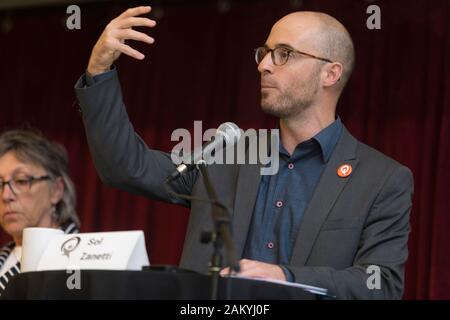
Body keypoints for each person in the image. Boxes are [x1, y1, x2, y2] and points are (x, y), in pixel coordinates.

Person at [74, 6, 413, 299]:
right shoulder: (229, 155)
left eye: (284, 53)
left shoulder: (381, 179)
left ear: (330, 73)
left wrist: (286, 277)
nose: (264, 65)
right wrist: (99, 71)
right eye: (264, 53)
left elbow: (380, 285)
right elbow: (126, 167)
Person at [0, 129, 80, 295]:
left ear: (56, 191)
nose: (6, 195)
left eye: (21, 181)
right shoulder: (4, 257)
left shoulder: (82, 259)